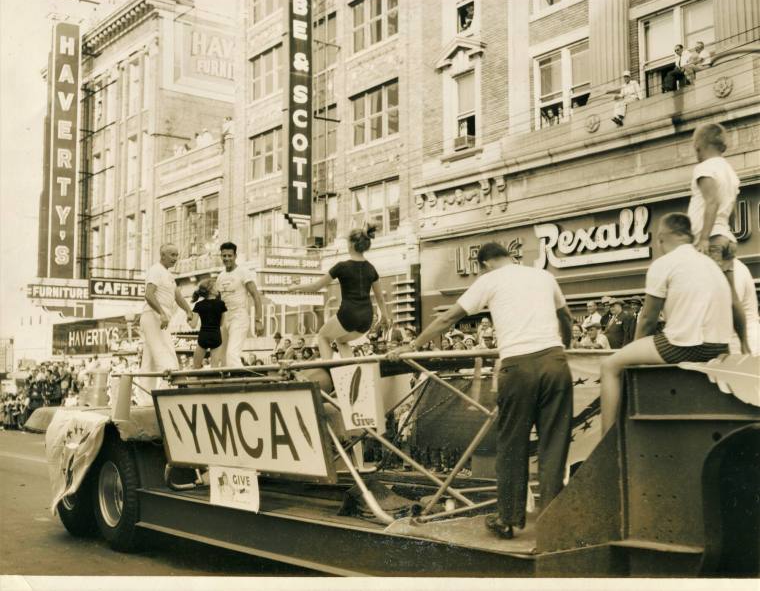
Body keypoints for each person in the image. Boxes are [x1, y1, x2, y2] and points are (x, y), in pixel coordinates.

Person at [389, 242, 573, 540]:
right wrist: (567, 347)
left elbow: (448, 318)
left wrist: (412, 345)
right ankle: (554, 521)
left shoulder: (489, 280)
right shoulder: (543, 276)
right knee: (555, 443)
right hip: (556, 362)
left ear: (484, 263)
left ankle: (509, 519)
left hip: (518, 365)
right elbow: (565, 318)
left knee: (512, 442)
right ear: (510, 256)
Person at [599, 213, 747, 434]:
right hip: (719, 347)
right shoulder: (712, 264)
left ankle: (608, 440)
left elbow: (648, 319)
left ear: (661, 237)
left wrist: (634, 357)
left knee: (610, 366)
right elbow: (736, 307)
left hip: (683, 346)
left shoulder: (664, 264)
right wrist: (745, 345)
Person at [289, 226, 391, 359]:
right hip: (366, 318)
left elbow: (315, 286)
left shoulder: (342, 267)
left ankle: (329, 371)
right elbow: (380, 298)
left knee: (323, 337)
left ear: (352, 244)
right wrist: (385, 316)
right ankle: (349, 373)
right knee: (341, 340)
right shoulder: (371, 268)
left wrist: (294, 287)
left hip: (348, 314)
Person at [139, 244, 194, 399]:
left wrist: (189, 311)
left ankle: (145, 399)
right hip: (154, 316)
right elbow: (149, 295)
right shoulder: (156, 270)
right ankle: (168, 392)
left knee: (149, 361)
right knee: (164, 354)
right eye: (172, 255)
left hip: (159, 318)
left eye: (176, 255)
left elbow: (178, 296)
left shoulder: (168, 275)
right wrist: (161, 313)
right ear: (162, 255)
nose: (175, 258)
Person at [688, 123, 740, 256]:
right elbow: (732, 210)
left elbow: (712, 202)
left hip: (710, 239)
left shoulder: (705, 168)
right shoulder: (729, 172)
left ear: (698, 145)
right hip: (726, 238)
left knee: (704, 277)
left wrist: (704, 239)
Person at [215, 242, 263, 367]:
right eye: (224, 256)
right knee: (222, 356)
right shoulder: (220, 276)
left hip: (239, 317)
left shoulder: (243, 272)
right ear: (221, 256)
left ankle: (242, 383)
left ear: (235, 256)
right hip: (225, 318)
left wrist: (258, 320)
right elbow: (218, 301)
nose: (227, 259)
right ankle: (226, 383)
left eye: (229, 256)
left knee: (232, 354)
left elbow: (256, 296)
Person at [708, 246, 760, 356]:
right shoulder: (732, 268)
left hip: (740, 343)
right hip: (738, 341)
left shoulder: (734, 271)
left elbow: (731, 306)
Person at [190, 279, 227, 368]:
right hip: (216, 336)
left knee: (196, 366)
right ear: (211, 290)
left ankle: (196, 381)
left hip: (203, 336)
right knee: (215, 367)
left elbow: (193, 325)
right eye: (216, 286)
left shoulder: (198, 305)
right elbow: (222, 324)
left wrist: (188, 320)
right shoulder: (221, 304)